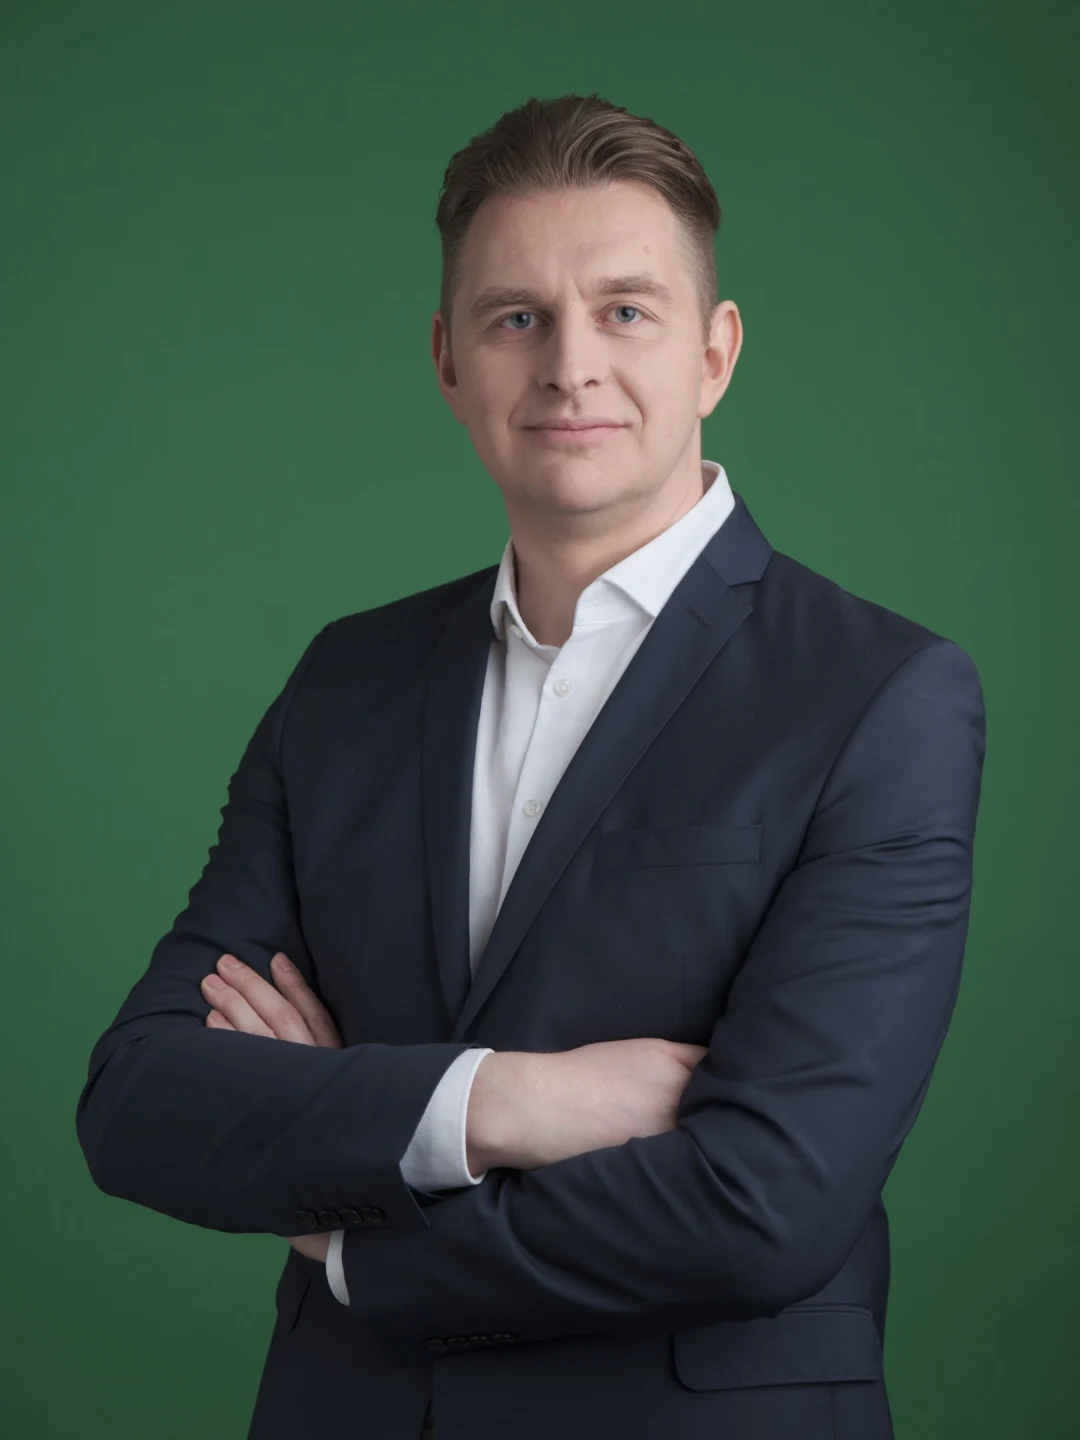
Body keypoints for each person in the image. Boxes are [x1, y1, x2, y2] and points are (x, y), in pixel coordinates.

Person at [74, 92, 986, 1440]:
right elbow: (141, 1101)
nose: (569, 366)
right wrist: (510, 1101)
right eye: (517, 317)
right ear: (449, 361)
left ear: (715, 354)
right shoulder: (345, 682)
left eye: (625, 310)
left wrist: (352, 1235)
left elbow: (766, 1205)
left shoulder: (881, 696)